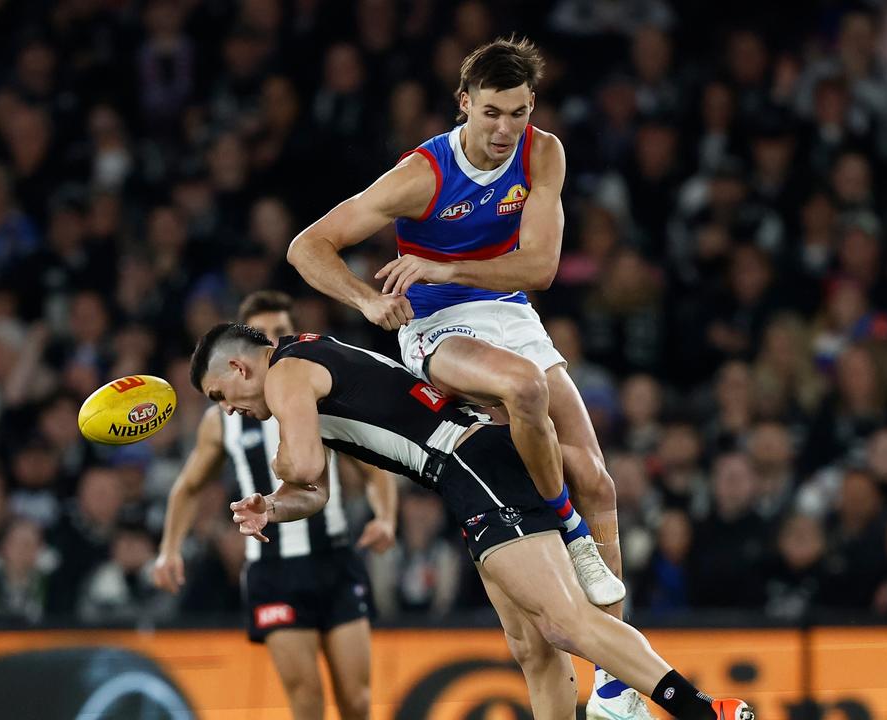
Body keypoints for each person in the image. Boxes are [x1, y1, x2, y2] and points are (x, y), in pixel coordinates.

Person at [285, 36, 632, 714]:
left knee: (599, 478)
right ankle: (566, 525)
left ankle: (616, 686)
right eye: (494, 113)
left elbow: (539, 269)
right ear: (464, 104)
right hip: (439, 328)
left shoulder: (544, 152)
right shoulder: (422, 176)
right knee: (524, 390)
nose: (507, 130)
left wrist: (444, 266)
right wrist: (365, 299)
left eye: (520, 112)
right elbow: (308, 245)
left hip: (508, 310)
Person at [192, 322, 754, 720]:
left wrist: (279, 464)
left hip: (468, 464)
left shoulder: (285, 374)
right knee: (533, 648)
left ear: (241, 366)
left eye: (222, 394)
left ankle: (700, 710)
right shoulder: (304, 358)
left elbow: (305, 464)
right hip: (476, 464)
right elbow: (311, 491)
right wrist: (273, 504)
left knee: (561, 622)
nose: (228, 409)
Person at [154, 291, 397, 720]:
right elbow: (188, 486)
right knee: (306, 703)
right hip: (273, 569)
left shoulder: (316, 393)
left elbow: (372, 464)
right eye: (263, 333)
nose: (273, 342)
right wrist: (169, 548)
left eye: (279, 332)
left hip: (336, 557)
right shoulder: (221, 420)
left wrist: (386, 515)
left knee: (358, 702)